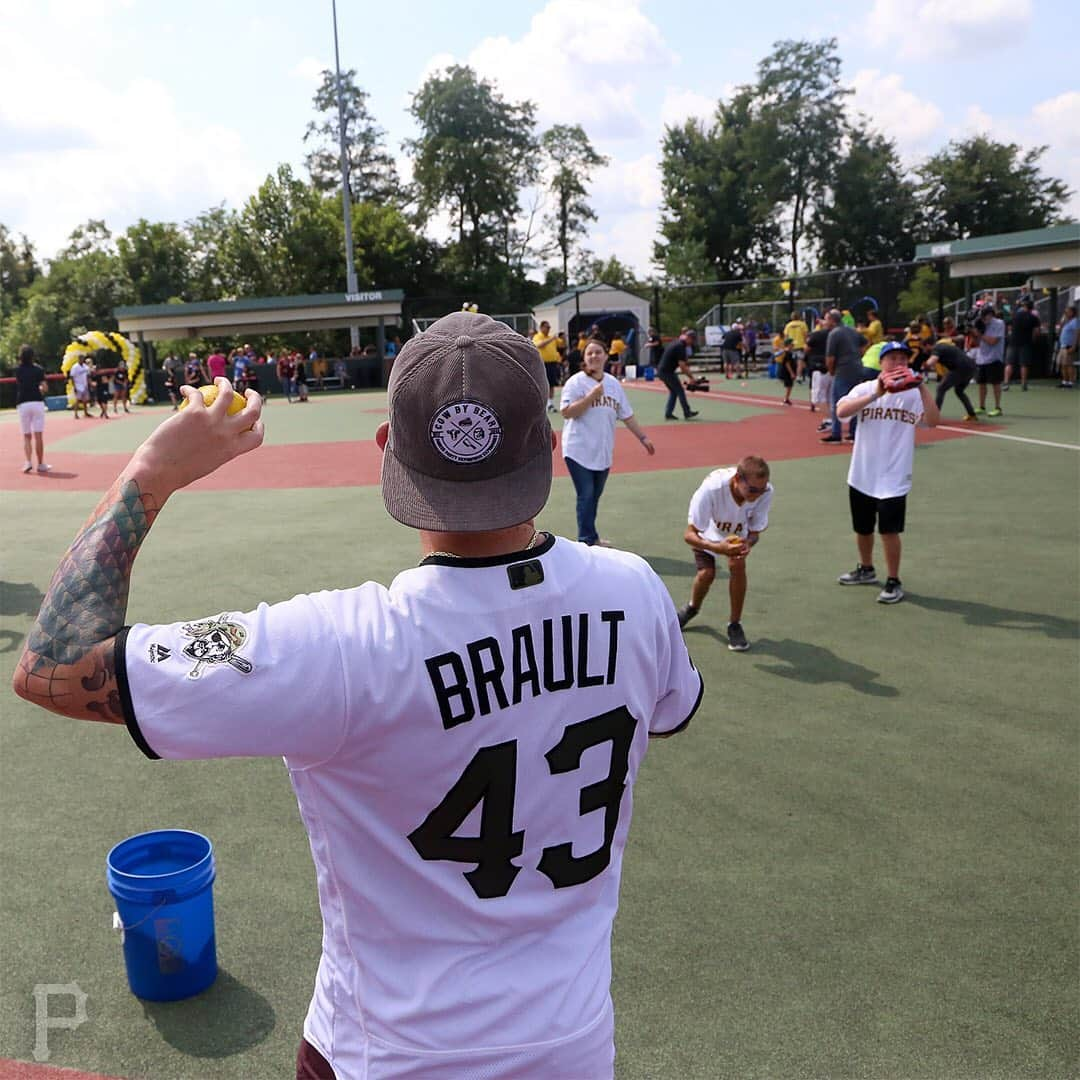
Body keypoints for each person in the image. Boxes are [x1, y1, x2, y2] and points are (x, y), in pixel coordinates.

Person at [13, 311, 703, 1080]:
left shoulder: (337, 643)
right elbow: (663, 713)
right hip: (573, 1045)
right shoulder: (636, 592)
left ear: (386, 453)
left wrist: (152, 470)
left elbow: (52, 669)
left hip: (391, 1053)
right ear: (548, 449)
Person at [834, 341, 940, 604]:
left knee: (889, 531)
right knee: (863, 527)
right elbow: (841, 413)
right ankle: (866, 569)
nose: (898, 363)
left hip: (894, 474)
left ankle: (893, 580)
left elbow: (933, 421)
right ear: (881, 363)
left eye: (903, 359)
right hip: (862, 472)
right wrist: (876, 394)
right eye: (891, 358)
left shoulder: (913, 394)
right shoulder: (865, 388)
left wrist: (922, 385)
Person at [560, 337, 655, 547]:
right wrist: (591, 396)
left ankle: (592, 537)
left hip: (602, 451)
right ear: (584, 358)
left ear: (605, 355)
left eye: (598, 352)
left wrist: (643, 438)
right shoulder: (576, 382)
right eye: (589, 353)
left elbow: (627, 415)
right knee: (585, 495)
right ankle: (585, 541)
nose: (594, 356)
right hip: (578, 449)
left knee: (594, 496)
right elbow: (567, 412)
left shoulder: (613, 384)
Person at [677, 455, 773, 652]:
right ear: (738, 479)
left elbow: (754, 532)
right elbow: (689, 534)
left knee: (737, 565)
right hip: (707, 533)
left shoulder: (765, 492)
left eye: (761, 490)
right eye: (753, 490)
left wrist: (748, 544)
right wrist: (717, 548)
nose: (757, 495)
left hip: (737, 536)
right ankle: (692, 608)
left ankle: (734, 624)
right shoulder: (712, 489)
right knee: (706, 575)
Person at [821, 309, 869, 443]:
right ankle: (853, 432)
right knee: (854, 399)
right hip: (857, 368)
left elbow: (830, 357)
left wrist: (831, 371)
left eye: (826, 319)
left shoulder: (834, 334)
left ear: (832, 320)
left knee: (838, 401)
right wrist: (859, 355)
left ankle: (836, 433)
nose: (825, 322)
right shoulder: (852, 330)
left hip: (842, 369)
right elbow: (865, 342)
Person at [917, 338, 977, 421]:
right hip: (971, 368)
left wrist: (922, 368)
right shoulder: (942, 346)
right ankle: (972, 414)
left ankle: (935, 416)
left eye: (923, 348)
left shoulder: (937, 348)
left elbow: (933, 360)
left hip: (960, 368)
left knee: (941, 388)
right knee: (959, 391)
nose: (923, 351)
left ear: (928, 345)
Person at [15, 344, 50, 474]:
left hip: (23, 403)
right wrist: (40, 389)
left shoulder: (18, 370)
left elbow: (20, 383)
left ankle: (28, 462)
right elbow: (44, 387)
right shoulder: (38, 370)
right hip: (37, 402)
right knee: (38, 435)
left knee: (26, 436)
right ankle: (40, 464)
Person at [656, 329, 700, 421]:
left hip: (663, 371)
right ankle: (687, 412)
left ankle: (668, 413)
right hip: (667, 372)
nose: (692, 343)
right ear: (688, 338)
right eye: (692, 340)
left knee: (674, 392)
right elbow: (682, 366)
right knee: (680, 391)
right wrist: (691, 378)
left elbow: (683, 362)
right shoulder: (680, 347)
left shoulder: (677, 343)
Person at [972, 301, 1006, 417]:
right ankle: (982, 406)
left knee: (995, 383)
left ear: (991, 314)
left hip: (995, 358)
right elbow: (976, 342)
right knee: (981, 383)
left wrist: (980, 334)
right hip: (982, 358)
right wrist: (974, 333)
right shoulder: (981, 324)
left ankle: (998, 408)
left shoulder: (999, 323)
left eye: (985, 315)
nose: (983, 318)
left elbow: (993, 341)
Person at [1004, 298, 1040, 392]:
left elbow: (1009, 325)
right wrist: (1033, 340)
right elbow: (1036, 332)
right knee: (1024, 364)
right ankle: (1024, 384)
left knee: (1009, 363)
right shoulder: (1034, 318)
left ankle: (1006, 383)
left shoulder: (1016, 315)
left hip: (1013, 342)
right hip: (1026, 343)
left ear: (1024, 306)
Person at [531, 320, 562, 411]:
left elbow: (562, 344)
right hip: (542, 364)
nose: (549, 329)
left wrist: (562, 337)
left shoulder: (551, 337)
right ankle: (541, 403)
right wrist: (551, 339)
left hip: (552, 363)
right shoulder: (538, 336)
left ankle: (550, 404)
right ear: (542, 328)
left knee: (551, 384)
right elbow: (539, 345)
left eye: (549, 327)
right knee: (542, 383)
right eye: (547, 327)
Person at [805, 319, 831, 425]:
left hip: (819, 367)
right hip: (832, 367)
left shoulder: (817, 335)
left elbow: (807, 348)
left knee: (819, 396)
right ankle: (832, 419)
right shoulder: (836, 333)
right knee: (830, 395)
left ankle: (829, 420)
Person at [782, 311, 809, 381]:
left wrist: (786, 346)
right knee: (800, 360)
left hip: (791, 346)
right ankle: (798, 375)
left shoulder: (788, 325)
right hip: (800, 345)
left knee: (791, 361)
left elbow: (786, 336)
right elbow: (805, 335)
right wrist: (806, 343)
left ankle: (792, 374)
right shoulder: (803, 324)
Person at [1057, 305, 1077, 388]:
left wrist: (1074, 346)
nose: (1066, 313)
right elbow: (1059, 330)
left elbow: (1077, 334)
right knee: (1063, 364)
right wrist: (1063, 320)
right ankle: (1065, 382)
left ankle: (1071, 383)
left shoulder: (1075, 321)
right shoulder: (1066, 321)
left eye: (1067, 312)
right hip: (1062, 346)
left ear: (1072, 312)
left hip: (1069, 346)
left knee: (1069, 364)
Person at [70, 354, 91, 419]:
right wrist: (74, 386)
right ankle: (76, 414)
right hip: (78, 385)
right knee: (78, 400)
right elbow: (72, 376)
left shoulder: (85, 366)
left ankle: (85, 412)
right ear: (78, 359)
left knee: (85, 400)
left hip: (85, 385)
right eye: (81, 358)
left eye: (83, 358)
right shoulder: (75, 367)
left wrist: (88, 383)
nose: (82, 360)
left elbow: (88, 375)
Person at [778, 339, 796, 405]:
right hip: (787, 372)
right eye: (792, 344)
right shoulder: (787, 352)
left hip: (789, 371)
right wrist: (791, 373)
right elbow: (787, 363)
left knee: (790, 386)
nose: (793, 345)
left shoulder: (790, 352)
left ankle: (786, 398)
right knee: (789, 385)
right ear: (788, 345)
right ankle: (786, 399)